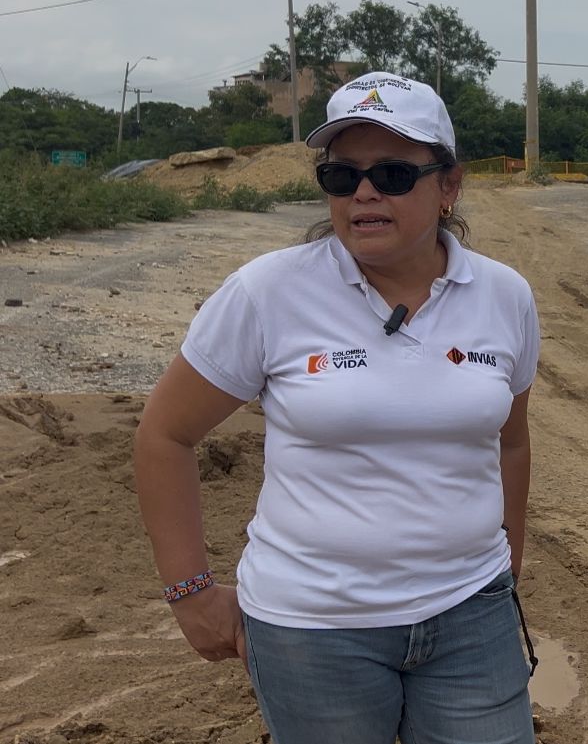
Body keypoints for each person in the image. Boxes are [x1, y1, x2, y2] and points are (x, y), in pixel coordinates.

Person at [134, 71, 541, 744]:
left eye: (392, 173)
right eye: (342, 175)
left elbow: (512, 441)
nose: (365, 192)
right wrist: (190, 592)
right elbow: (164, 435)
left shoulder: (505, 297)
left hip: (472, 615)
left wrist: (507, 566)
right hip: (312, 632)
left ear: (449, 185)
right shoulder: (269, 292)